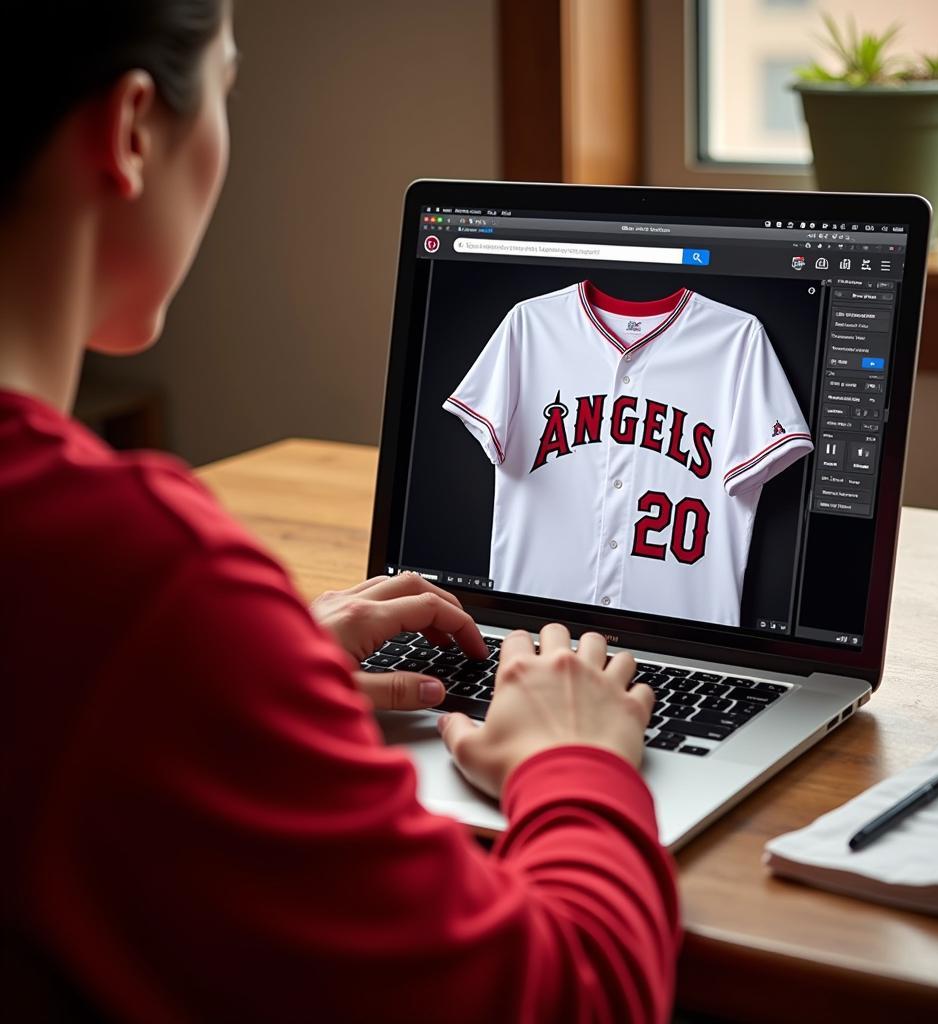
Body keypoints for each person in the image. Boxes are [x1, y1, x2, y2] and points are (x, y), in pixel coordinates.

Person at [1, 3, 679, 1020]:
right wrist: (575, 765)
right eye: (228, 87)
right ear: (134, 129)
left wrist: (244, 682)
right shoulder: (134, 577)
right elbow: (575, 998)